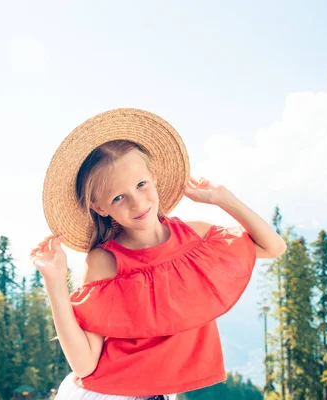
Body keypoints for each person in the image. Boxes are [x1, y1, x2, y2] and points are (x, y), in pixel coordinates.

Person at [31, 108, 286, 400]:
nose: (137, 202)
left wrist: (223, 198)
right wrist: (54, 282)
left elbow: (273, 247)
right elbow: (84, 364)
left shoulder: (198, 239)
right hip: (107, 395)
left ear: (154, 177)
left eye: (141, 184)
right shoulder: (105, 261)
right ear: (100, 208)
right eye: (118, 197)